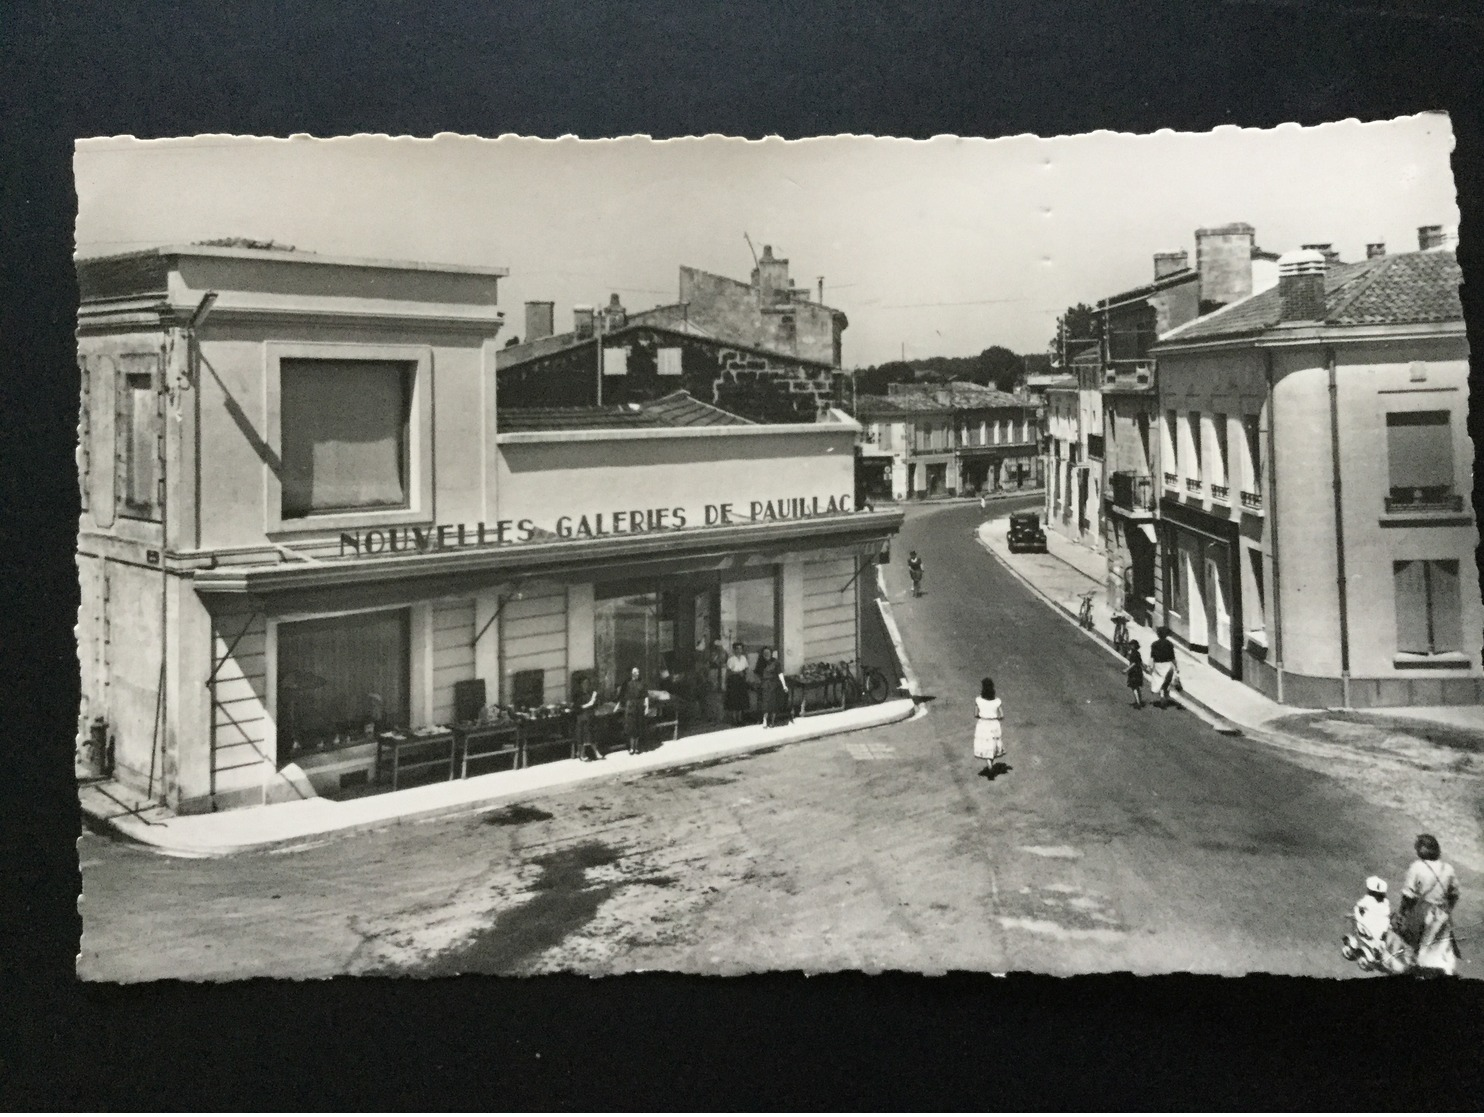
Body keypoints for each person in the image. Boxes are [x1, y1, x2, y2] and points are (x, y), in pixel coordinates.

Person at [1397, 833, 1462, 976]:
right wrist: (1447, 909)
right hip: (1442, 912)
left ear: (1423, 850)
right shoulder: (1448, 869)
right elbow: (1455, 894)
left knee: (1407, 938)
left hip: (1423, 910)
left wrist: (1402, 913)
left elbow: (1408, 895)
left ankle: (1412, 966)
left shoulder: (1417, 867)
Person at [973, 677, 1005, 773]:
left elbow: (975, 714)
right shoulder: (997, 701)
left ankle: (989, 765)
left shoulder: (978, 700)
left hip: (983, 723)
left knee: (985, 744)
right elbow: (1002, 715)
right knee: (993, 744)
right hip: (994, 724)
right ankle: (990, 763)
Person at [616, 665, 649, 756]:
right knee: (631, 727)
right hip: (630, 706)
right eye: (634, 672)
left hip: (639, 706)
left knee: (638, 726)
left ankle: (636, 747)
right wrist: (617, 706)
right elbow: (621, 695)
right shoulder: (627, 682)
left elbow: (645, 695)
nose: (636, 674)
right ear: (631, 673)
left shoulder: (642, 682)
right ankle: (631, 747)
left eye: (637, 672)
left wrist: (647, 707)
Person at [573, 673, 603, 761]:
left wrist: (594, 699)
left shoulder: (590, 693)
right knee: (583, 736)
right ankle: (582, 754)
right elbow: (578, 707)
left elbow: (595, 704)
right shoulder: (577, 695)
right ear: (581, 685)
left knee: (591, 736)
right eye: (584, 683)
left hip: (590, 716)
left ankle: (596, 753)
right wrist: (590, 703)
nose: (586, 685)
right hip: (582, 717)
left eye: (587, 683)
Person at [1149, 626, 1178, 708]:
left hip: (1158, 665)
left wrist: (1149, 666)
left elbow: (1152, 657)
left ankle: (1162, 695)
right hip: (1167, 665)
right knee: (1167, 681)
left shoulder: (1154, 644)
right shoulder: (1169, 644)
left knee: (1159, 680)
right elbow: (1173, 658)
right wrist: (1176, 667)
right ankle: (1165, 695)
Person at [724, 642, 752, 725]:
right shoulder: (731, 659)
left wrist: (746, 675)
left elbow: (746, 668)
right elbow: (728, 672)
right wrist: (737, 673)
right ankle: (734, 719)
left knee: (741, 700)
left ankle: (739, 719)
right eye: (737, 649)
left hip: (741, 680)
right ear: (734, 650)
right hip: (733, 680)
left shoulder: (743, 658)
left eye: (740, 648)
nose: (739, 650)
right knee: (734, 700)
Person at [1124, 642, 1146, 709]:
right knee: (1137, 687)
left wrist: (1126, 670)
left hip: (1134, 672)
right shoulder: (1138, 653)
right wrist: (1145, 668)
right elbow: (1140, 662)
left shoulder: (1133, 654)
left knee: (1134, 687)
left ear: (1133, 646)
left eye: (1130, 645)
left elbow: (1133, 664)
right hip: (1139, 672)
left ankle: (1138, 703)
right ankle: (1139, 701)